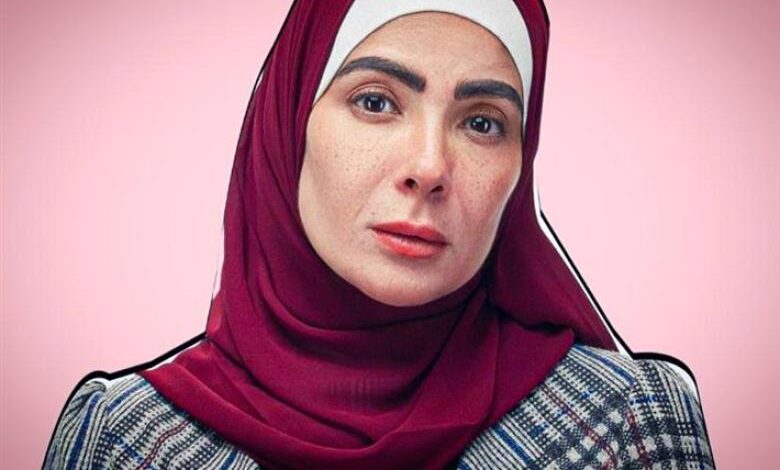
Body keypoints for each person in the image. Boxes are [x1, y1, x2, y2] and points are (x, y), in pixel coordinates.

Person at [44, 0, 715, 468]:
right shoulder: (127, 441)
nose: (429, 167)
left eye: (483, 123)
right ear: (289, 129)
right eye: (376, 102)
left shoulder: (625, 422)